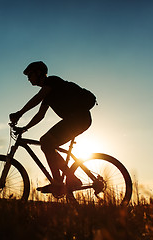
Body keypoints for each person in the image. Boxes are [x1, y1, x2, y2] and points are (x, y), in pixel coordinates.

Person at [9, 61, 93, 194]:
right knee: (47, 143)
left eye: (30, 74)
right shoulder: (47, 94)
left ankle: (58, 183)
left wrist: (19, 113)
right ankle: (70, 180)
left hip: (79, 119)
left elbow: (37, 98)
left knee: (46, 142)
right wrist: (24, 128)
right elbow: (40, 115)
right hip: (76, 120)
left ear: (39, 73)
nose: (28, 78)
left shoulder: (53, 81)